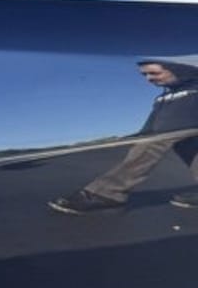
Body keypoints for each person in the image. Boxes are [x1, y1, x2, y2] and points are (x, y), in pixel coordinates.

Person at [49, 57, 198, 214]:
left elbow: (159, 134)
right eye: (145, 75)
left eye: (154, 73)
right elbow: (151, 126)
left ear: (180, 70)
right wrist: (141, 136)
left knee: (154, 144)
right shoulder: (163, 97)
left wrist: (150, 138)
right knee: (189, 147)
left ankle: (107, 193)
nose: (149, 79)